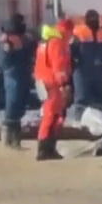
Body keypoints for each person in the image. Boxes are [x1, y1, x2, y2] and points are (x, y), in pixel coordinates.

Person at [34, 18, 75, 161]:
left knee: (51, 114)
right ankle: (45, 148)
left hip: (43, 81)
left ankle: (47, 147)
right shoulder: (58, 43)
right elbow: (59, 66)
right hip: (52, 84)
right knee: (53, 115)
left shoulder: (46, 41)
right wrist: (64, 85)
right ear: (67, 31)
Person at [0, 13, 32, 148]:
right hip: (13, 74)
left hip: (22, 73)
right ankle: (8, 136)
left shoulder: (23, 38)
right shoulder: (6, 40)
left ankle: (15, 139)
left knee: (20, 103)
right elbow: (4, 61)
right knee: (13, 101)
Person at [72, 9, 102, 120]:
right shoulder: (78, 33)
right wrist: (74, 64)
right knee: (82, 99)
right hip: (81, 71)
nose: (94, 21)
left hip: (99, 72)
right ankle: (79, 123)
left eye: (95, 19)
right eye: (91, 19)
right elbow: (71, 52)